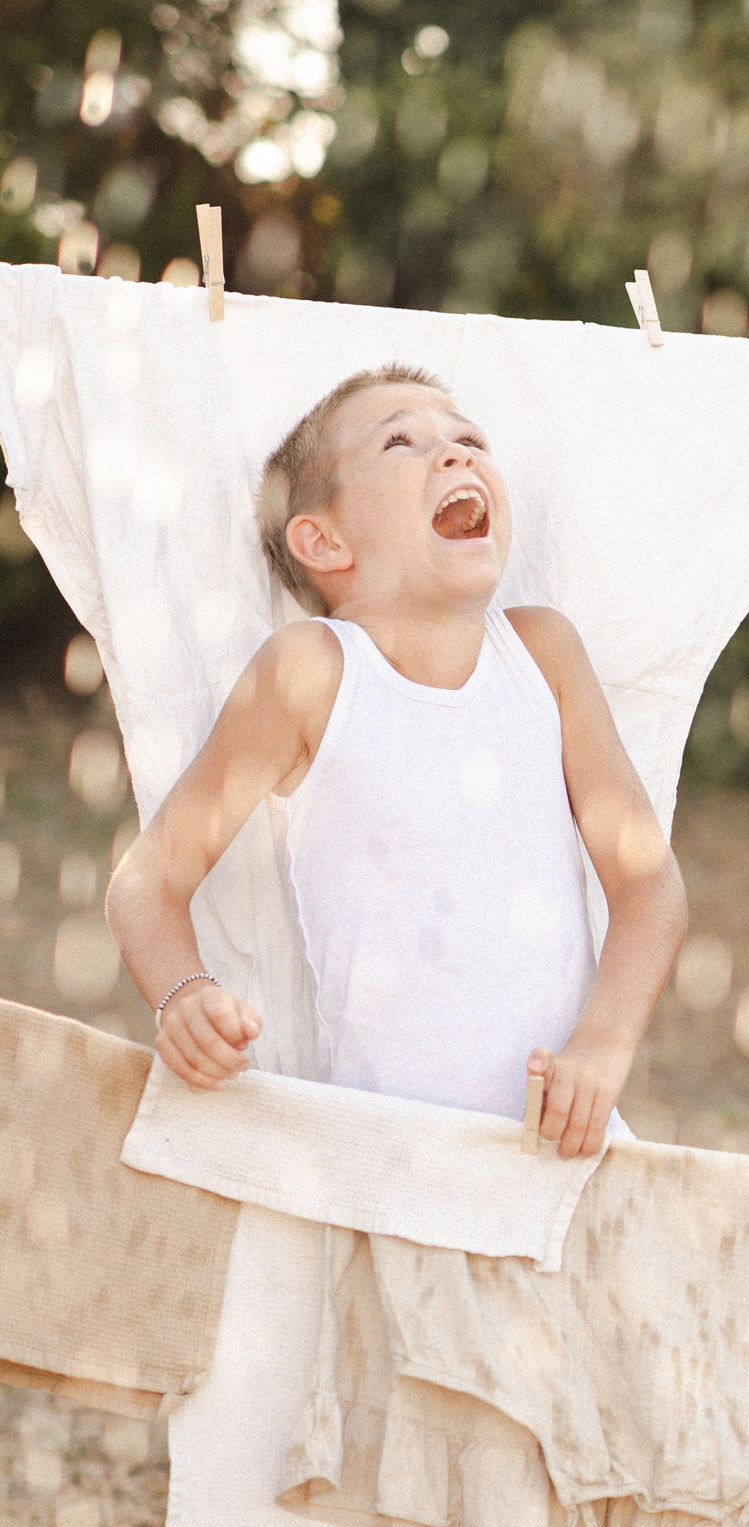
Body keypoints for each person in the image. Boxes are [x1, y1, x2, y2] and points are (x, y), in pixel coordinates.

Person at [108, 362, 684, 1157]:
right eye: (403, 442)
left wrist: (605, 1045)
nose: (455, 455)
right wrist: (183, 992)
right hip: (387, 1159)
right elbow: (148, 878)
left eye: (469, 439)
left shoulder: (544, 654)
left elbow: (648, 880)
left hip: (561, 1140)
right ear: (323, 540)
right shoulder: (310, 672)